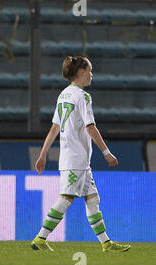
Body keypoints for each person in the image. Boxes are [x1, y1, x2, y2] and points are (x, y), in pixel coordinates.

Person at [30, 56, 131, 252]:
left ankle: (106, 243)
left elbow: (54, 128)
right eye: (90, 70)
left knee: (93, 199)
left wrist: (43, 155)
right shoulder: (83, 97)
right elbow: (91, 127)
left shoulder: (64, 94)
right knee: (66, 198)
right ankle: (40, 238)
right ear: (82, 72)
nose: (92, 74)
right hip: (75, 158)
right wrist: (106, 152)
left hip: (77, 159)